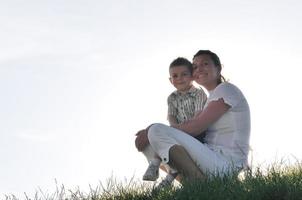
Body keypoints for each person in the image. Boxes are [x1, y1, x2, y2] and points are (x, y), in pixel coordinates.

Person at [135, 50, 250, 183]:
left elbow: (195, 127)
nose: (199, 69)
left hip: (226, 164)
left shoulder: (226, 89)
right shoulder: (208, 100)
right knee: (148, 144)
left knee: (156, 131)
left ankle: (203, 187)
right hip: (210, 157)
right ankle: (194, 184)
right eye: (195, 67)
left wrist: (151, 129)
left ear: (218, 68)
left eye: (205, 64)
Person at [141, 57, 207, 188]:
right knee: (167, 142)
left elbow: (198, 117)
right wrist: (174, 128)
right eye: (175, 76)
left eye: (184, 74)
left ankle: (166, 172)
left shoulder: (199, 94)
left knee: (170, 140)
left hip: (198, 133)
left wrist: (178, 130)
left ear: (192, 76)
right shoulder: (172, 97)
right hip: (179, 130)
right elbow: (171, 116)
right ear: (170, 80)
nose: (179, 78)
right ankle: (162, 168)